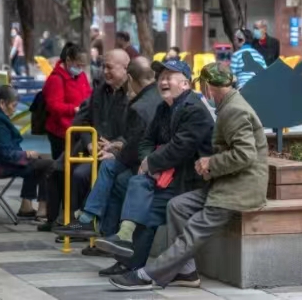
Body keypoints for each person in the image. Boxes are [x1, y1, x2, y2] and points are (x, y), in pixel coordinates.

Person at [109, 62, 268, 290]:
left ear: (206, 85)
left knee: (193, 232)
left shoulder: (234, 110)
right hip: (226, 183)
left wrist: (210, 162)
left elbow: (245, 154)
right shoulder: (229, 105)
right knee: (177, 205)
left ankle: (149, 275)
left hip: (239, 190)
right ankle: (186, 272)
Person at [95, 60, 215, 277]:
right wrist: (149, 160)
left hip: (190, 182)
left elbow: (181, 148)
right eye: (161, 77)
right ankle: (128, 256)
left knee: (141, 196)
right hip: (167, 177)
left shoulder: (194, 110)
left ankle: (128, 251)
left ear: (185, 84)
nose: (164, 81)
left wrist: (151, 163)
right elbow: (145, 141)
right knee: (139, 191)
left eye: (170, 77)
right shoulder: (163, 108)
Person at [53, 56, 161, 240]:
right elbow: (139, 138)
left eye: (109, 67)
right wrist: (104, 145)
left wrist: (117, 150)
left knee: (108, 170)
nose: (105, 72)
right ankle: (97, 227)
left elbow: (139, 141)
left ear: (129, 77)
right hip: (127, 153)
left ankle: (88, 219)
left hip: (149, 163)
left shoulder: (141, 104)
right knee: (109, 173)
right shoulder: (104, 92)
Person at [41, 49, 130, 233]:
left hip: (115, 152)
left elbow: (136, 130)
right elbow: (81, 120)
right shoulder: (100, 90)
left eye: (110, 67)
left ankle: (80, 222)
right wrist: (90, 142)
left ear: (125, 69)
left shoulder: (132, 94)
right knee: (56, 168)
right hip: (89, 146)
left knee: (81, 174)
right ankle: (60, 219)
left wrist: (113, 145)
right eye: (103, 66)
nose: (105, 71)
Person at [0, 85, 54, 219]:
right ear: (2, 103)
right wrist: (25, 154)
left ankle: (27, 206)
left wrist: (27, 156)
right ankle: (43, 208)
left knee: (37, 162)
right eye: (14, 106)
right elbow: (6, 153)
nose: (14, 110)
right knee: (48, 165)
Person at [42, 43, 92, 160]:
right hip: (61, 132)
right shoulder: (56, 79)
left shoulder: (81, 76)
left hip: (79, 128)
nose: (81, 69)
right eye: (78, 65)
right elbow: (53, 106)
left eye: (83, 66)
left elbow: (88, 93)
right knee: (62, 167)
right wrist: (73, 109)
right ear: (68, 60)